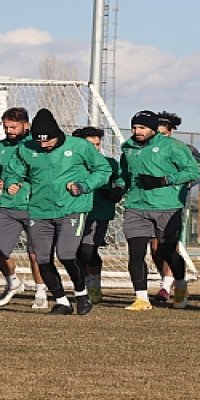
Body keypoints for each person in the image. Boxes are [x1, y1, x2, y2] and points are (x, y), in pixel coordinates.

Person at [2, 109, 110, 315]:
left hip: (72, 209)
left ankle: (81, 295)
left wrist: (84, 185)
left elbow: (103, 170)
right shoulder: (25, 148)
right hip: (39, 211)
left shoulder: (80, 146)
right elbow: (13, 170)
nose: (43, 145)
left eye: (47, 141)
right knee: (42, 258)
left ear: (57, 134)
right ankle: (62, 301)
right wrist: (12, 182)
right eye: (39, 141)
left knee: (67, 254)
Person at [118, 110, 200, 311]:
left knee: (167, 251)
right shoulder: (128, 148)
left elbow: (193, 171)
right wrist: (119, 188)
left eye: (142, 128)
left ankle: (180, 285)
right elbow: (124, 175)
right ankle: (141, 298)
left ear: (153, 129)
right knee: (136, 253)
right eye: (135, 127)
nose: (137, 131)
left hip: (167, 206)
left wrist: (164, 180)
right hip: (136, 206)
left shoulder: (173, 147)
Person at [0, 107, 48, 309]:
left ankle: (41, 292)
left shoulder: (37, 146)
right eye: (6, 127)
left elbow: (44, 174)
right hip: (8, 206)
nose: (9, 131)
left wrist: (24, 185)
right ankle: (13, 282)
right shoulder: (0, 147)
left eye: (13, 127)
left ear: (26, 125)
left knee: (35, 254)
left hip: (35, 207)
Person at [151, 111, 200, 301]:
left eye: (163, 134)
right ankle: (167, 281)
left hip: (173, 203)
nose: (160, 138)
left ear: (171, 133)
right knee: (154, 247)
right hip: (148, 202)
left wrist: (185, 183)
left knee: (168, 243)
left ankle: (166, 287)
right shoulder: (144, 149)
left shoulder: (185, 149)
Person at [72, 126, 123, 305]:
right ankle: (81, 287)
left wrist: (118, 190)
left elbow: (121, 179)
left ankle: (94, 285)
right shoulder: (72, 163)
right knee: (73, 252)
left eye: (97, 144)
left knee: (88, 250)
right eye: (90, 144)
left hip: (99, 212)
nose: (95, 148)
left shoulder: (109, 163)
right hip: (73, 211)